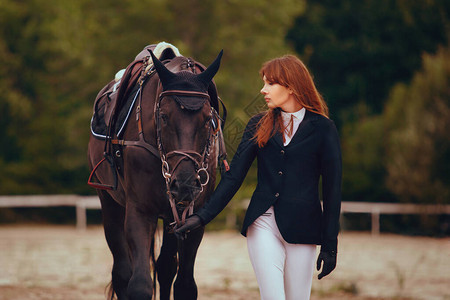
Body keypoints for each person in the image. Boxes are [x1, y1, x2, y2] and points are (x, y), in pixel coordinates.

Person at [175, 54, 342, 300]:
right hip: (262, 223)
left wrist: (330, 246)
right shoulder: (257, 124)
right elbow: (233, 178)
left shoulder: (323, 129)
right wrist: (201, 217)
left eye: (270, 84)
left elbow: (332, 190)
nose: (263, 90)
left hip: (304, 228)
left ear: (291, 86)